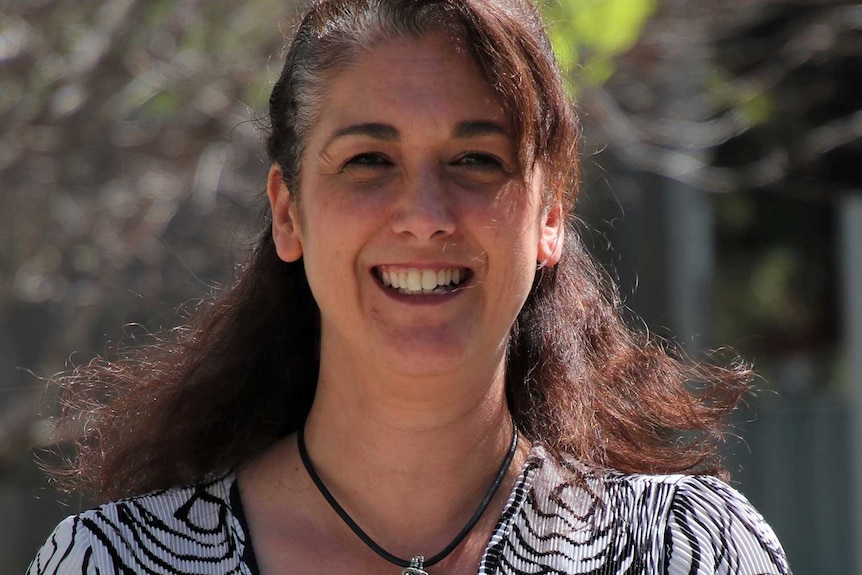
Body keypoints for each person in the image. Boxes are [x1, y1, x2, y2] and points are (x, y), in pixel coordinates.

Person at [27, 0, 792, 573]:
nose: (424, 217)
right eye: (368, 161)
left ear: (551, 213)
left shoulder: (686, 553)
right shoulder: (112, 561)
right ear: (288, 212)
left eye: (475, 161)